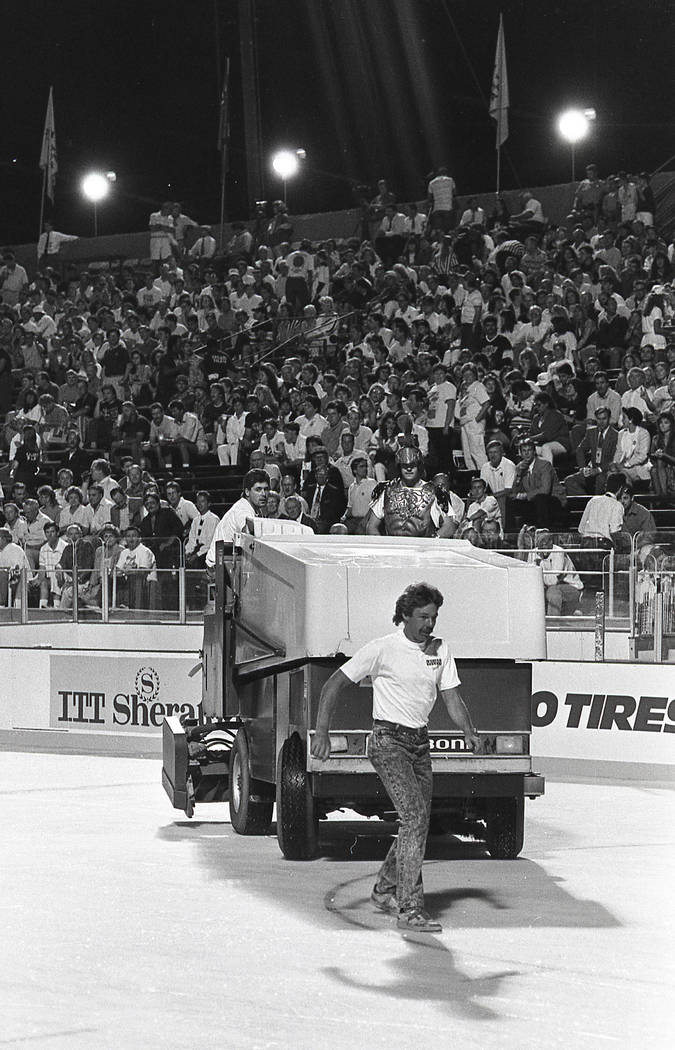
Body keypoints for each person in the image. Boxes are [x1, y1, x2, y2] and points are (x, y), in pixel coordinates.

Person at [311, 582, 481, 933]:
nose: (429, 625)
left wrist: (469, 730)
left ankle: (385, 886)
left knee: (417, 821)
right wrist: (323, 733)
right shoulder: (382, 649)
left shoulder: (440, 650)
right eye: (423, 617)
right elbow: (332, 686)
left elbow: (451, 698)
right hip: (388, 741)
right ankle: (410, 909)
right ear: (404, 615)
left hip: (419, 744)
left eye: (434, 617)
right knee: (415, 817)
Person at [367, 445, 444, 537]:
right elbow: (371, 526)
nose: (409, 469)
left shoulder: (434, 491)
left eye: (413, 465)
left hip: (422, 548)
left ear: (419, 466)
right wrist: (383, 545)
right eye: (405, 465)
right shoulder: (386, 490)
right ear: (399, 467)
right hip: (393, 546)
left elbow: (450, 525)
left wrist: (431, 544)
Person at [205, 469, 270, 568]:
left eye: (266, 489)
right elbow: (247, 529)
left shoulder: (254, 508)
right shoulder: (242, 509)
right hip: (218, 569)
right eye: (258, 489)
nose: (263, 494)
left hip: (229, 562)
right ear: (247, 492)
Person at [529, 530, 584, 616]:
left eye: (545, 541)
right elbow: (530, 577)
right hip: (546, 585)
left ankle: (553, 624)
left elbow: (552, 581)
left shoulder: (559, 552)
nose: (543, 544)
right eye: (539, 541)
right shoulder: (532, 553)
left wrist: (541, 562)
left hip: (571, 587)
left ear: (551, 541)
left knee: (552, 592)